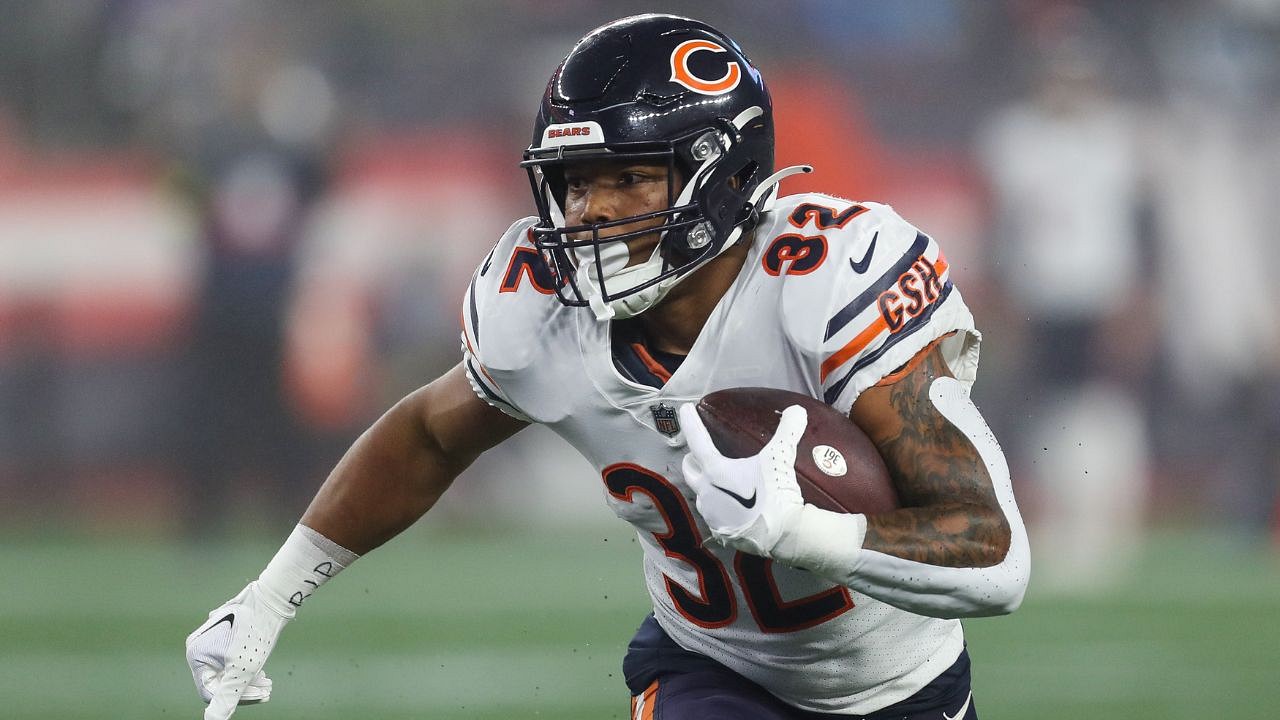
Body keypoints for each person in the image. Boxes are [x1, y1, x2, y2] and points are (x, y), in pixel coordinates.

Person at [185, 14, 1029, 720]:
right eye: (575, 183)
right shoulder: (539, 310)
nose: (591, 211)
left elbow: (996, 560)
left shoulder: (825, 283)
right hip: (711, 670)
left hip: (903, 690)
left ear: (723, 172)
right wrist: (270, 598)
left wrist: (808, 534)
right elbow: (428, 437)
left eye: (627, 177)